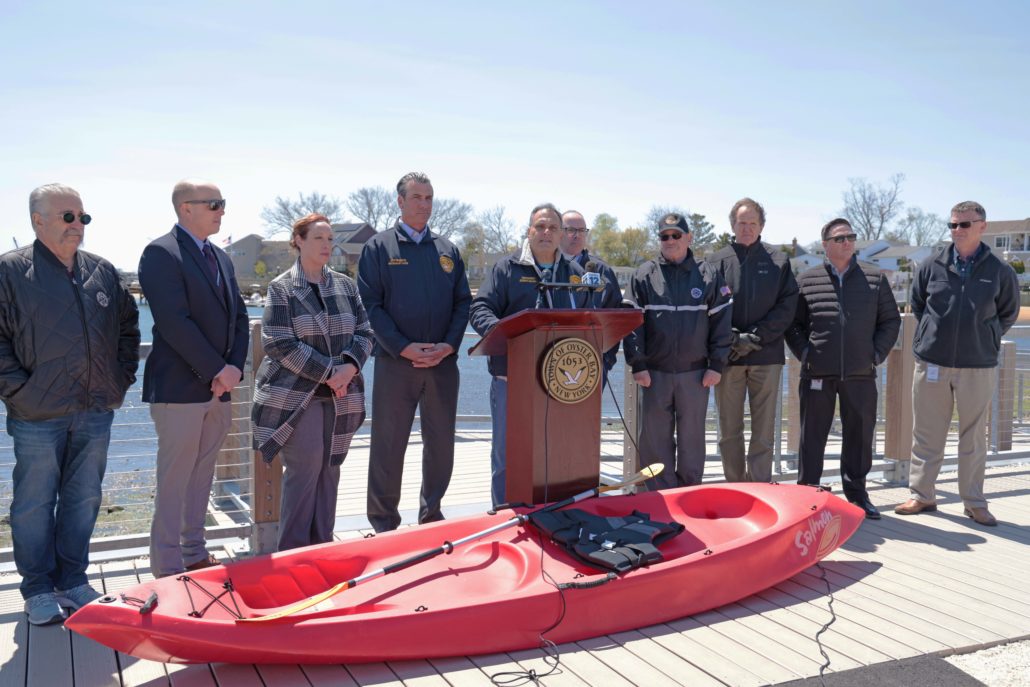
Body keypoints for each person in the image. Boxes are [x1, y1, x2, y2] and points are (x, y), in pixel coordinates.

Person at [0, 184, 139, 625]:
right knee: (33, 503)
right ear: (37, 220)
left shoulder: (102, 271)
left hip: (95, 409)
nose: (77, 225)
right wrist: (20, 391)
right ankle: (38, 587)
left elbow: (127, 330)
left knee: (84, 498)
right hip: (36, 415)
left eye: (82, 217)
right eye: (67, 217)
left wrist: (119, 379)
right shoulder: (9, 272)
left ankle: (73, 578)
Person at [139, 179, 249, 577]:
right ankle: (167, 568)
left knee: (202, 476)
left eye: (223, 203)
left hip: (220, 391)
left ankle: (194, 553)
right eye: (215, 204)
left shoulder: (221, 257)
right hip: (179, 390)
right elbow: (173, 322)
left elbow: (238, 318)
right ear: (186, 208)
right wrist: (218, 370)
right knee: (173, 482)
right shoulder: (160, 253)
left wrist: (233, 369)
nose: (222, 211)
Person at [252, 214, 374, 550]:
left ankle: (323, 547)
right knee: (304, 471)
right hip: (297, 396)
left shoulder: (346, 286)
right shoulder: (282, 288)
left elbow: (365, 332)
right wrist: (328, 373)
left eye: (330, 239)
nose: (326, 245)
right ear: (299, 241)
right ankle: (292, 552)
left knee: (330, 470)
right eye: (319, 238)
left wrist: (348, 368)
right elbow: (277, 341)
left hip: (341, 396)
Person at [358, 172, 471, 533]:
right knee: (389, 445)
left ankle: (431, 516)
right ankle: (383, 522)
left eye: (429, 197)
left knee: (440, 444)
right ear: (400, 201)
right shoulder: (378, 248)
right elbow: (370, 306)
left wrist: (449, 345)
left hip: (441, 365)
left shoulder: (447, 250)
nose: (424, 204)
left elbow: (463, 303)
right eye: (417, 197)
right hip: (396, 365)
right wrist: (403, 347)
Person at [895, 201, 1019, 526]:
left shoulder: (999, 271)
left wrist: (986, 336)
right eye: (952, 225)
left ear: (982, 226)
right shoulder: (930, 266)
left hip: (978, 365)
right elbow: (919, 305)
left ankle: (974, 502)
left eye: (964, 224)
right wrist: (932, 335)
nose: (957, 231)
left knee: (973, 436)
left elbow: (1007, 313)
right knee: (925, 433)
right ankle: (922, 495)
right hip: (932, 362)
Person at [470, 203, 589, 506]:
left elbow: (589, 320)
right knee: (508, 456)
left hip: (561, 383)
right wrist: (505, 334)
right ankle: (506, 514)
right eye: (540, 226)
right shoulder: (506, 268)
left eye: (553, 227)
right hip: (512, 378)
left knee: (556, 452)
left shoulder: (575, 274)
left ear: (561, 234)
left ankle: (553, 515)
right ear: (529, 231)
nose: (546, 232)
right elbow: (480, 308)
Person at [785, 218, 900, 519]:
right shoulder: (808, 280)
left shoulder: (874, 279)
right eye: (839, 238)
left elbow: (891, 321)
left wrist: (875, 354)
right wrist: (806, 352)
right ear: (825, 245)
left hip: (861, 373)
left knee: (859, 436)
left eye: (850, 237)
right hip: (817, 373)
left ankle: (858, 495)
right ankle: (808, 494)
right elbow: (793, 325)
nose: (846, 242)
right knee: (812, 436)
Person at [623, 213, 732, 490]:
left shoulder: (708, 274)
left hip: (695, 374)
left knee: (692, 439)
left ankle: (689, 493)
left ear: (688, 238)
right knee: (654, 439)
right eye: (664, 236)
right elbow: (631, 323)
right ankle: (660, 496)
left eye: (676, 235)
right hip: (654, 374)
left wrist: (716, 365)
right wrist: (638, 364)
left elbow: (722, 324)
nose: (670, 240)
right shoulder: (643, 275)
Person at [707, 198, 798, 482]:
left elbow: (788, 305)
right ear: (732, 225)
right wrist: (732, 339)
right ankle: (735, 486)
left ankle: (759, 486)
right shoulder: (715, 261)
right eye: (741, 223)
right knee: (729, 430)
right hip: (727, 357)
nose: (747, 228)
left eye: (752, 223)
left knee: (763, 430)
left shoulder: (779, 260)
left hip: (766, 356)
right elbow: (708, 307)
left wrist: (756, 336)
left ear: (761, 226)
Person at [560, 210, 623, 378]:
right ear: (559, 232)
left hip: (593, 362)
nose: (577, 235)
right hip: (553, 360)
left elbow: (617, 318)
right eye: (571, 230)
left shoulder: (602, 271)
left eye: (582, 231)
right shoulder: (548, 269)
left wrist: (607, 361)